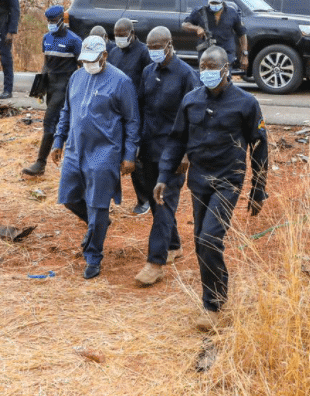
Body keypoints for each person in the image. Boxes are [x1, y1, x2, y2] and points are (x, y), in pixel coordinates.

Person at [154, 46, 268, 331]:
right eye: (202, 67)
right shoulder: (191, 100)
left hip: (228, 181)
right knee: (200, 241)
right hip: (199, 181)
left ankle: (213, 304)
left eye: (212, 67)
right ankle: (215, 293)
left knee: (209, 239)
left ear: (226, 69)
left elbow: (260, 147)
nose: (206, 72)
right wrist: (164, 176)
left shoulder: (246, 103)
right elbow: (176, 140)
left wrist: (258, 189)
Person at [50, 35, 140, 279]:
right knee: (68, 197)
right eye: (84, 60)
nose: (88, 64)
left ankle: (93, 256)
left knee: (98, 204)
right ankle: (98, 223)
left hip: (104, 151)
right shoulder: (76, 77)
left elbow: (132, 121)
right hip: (75, 148)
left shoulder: (121, 82)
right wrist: (58, 140)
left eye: (92, 59)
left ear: (104, 56)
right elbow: (67, 111)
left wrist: (129, 154)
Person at [133, 27, 199, 286]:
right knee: (155, 199)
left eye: (157, 47)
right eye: (150, 47)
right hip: (149, 149)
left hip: (173, 152)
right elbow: (141, 109)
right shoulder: (148, 72)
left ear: (169, 45)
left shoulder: (186, 75)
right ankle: (173, 245)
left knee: (163, 202)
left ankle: (155, 262)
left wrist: (187, 153)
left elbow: (195, 117)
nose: (153, 52)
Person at [22, 5, 82, 176]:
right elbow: (46, 64)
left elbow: (83, 66)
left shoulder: (74, 40)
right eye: (48, 21)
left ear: (62, 20)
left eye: (54, 21)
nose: (50, 24)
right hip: (50, 86)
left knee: (49, 122)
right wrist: (40, 85)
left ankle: (40, 163)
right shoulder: (46, 38)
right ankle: (68, 160)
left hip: (65, 87)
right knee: (61, 124)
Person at [107, 18, 152, 215]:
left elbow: (149, 80)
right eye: (116, 35)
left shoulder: (144, 53)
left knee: (135, 156)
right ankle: (107, 197)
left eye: (123, 35)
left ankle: (144, 198)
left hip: (137, 110)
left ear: (132, 34)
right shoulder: (114, 52)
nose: (119, 38)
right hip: (116, 111)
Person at [182, 0, 249, 71]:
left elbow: (242, 34)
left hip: (226, 55)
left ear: (222, 1)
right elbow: (185, 25)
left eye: (217, 3)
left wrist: (244, 55)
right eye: (212, 3)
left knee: (224, 78)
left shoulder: (232, 13)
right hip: (207, 56)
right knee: (207, 78)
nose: (214, 5)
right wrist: (197, 28)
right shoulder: (200, 12)